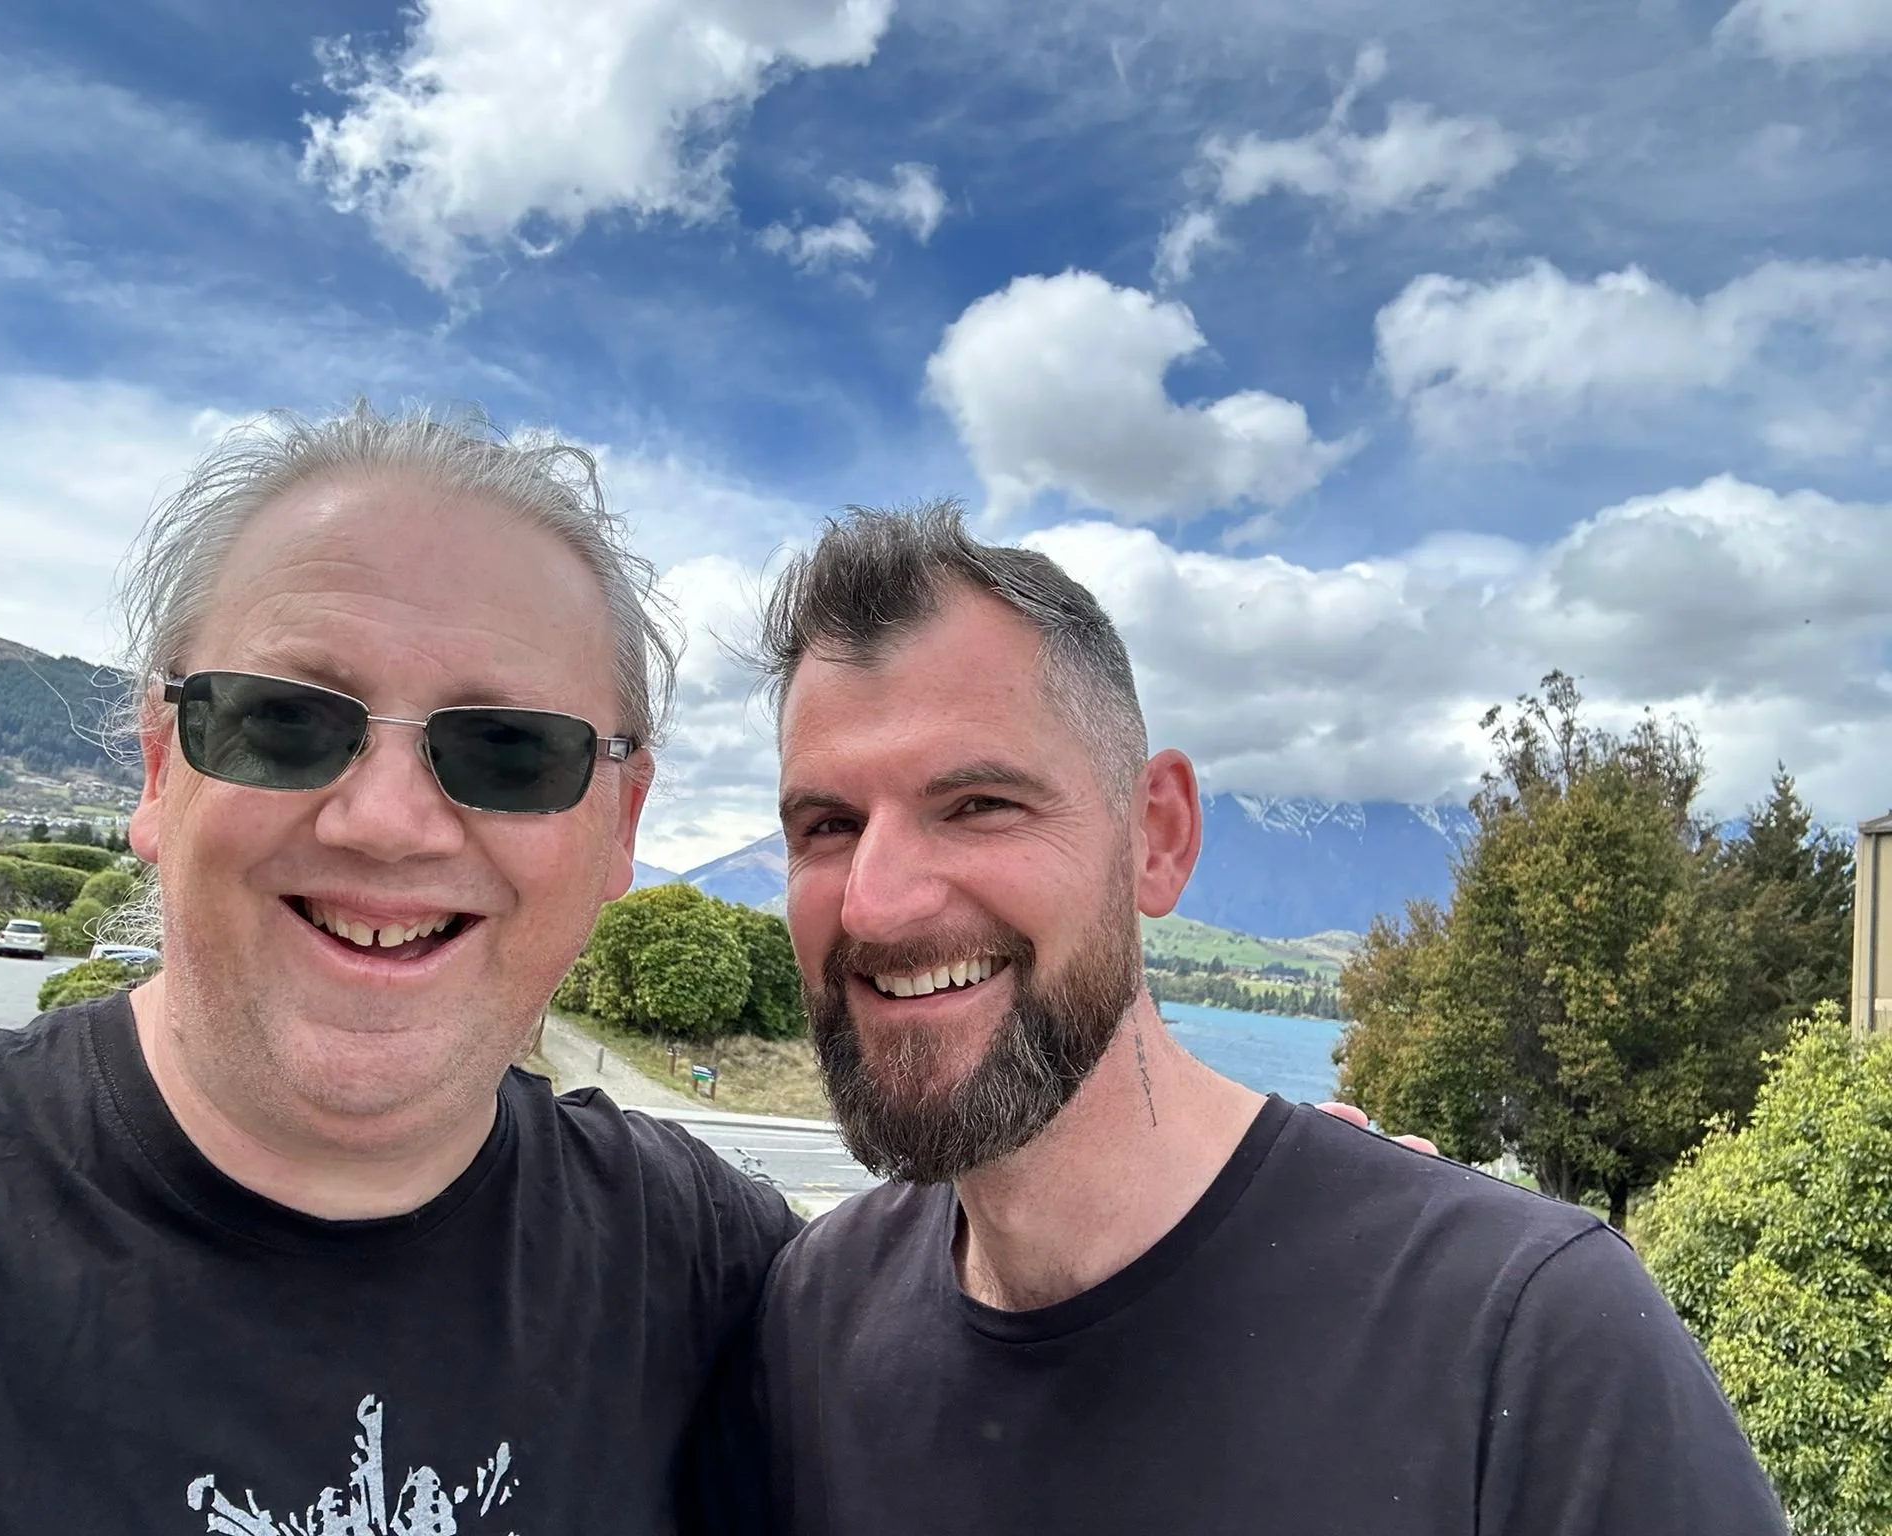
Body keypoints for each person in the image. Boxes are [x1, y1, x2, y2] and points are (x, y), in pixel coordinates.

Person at [734, 503, 1788, 1534]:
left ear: (1156, 838)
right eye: (826, 825)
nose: (873, 902)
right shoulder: (816, 1317)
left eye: (977, 806)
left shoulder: (1525, 1335)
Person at [0, 406, 798, 1533]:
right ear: (159, 771)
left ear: (618, 824)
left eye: (509, 747)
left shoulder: (714, 1274)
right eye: (284, 721)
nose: (386, 823)